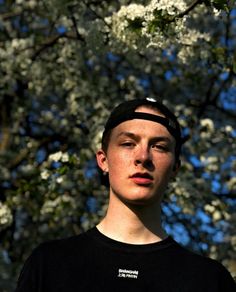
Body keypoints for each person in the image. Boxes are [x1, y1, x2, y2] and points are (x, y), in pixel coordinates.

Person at [15, 98, 236, 291]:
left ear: (175, 168)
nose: (143, 157)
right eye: (128, 143)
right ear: (103, 160)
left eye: (159, 146)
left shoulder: (209, 280)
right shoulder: (49, 265)